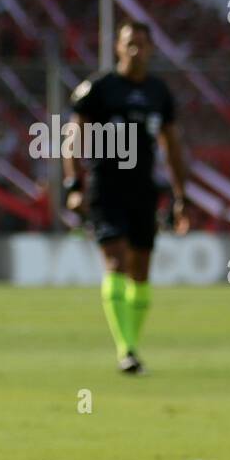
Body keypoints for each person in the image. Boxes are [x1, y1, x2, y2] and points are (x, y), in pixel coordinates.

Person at [64, 21, 188, 374]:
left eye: (142, 44)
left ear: (151, 48)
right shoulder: (100, 89)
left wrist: (181, 196)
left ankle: (132, 344)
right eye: (129, 43)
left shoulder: (158, 93)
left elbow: (172, 146)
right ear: (117, 47)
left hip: (143, 190)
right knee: (116, 261)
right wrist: (74, 185)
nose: (136, 49)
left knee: (141, 272)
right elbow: (73, 137)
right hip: (106, 187)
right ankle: (127, 350)